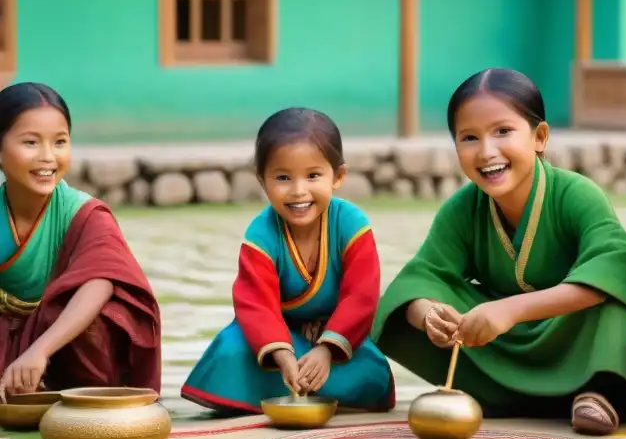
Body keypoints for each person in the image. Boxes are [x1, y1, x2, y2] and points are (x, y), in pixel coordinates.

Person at [372, 68, 626, 435]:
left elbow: (620, 269)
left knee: (614, 297)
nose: (487, 151)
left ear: (539, 137)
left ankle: (600, 392)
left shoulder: (576, 194)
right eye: (469, 138)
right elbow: (420, 278)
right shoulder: (462, 208)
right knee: (417, 298)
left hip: (575, 337)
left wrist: (510, 310)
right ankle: (508, 392)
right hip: (502, 342)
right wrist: (430, 315)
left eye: (503, 131)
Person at [181, 108, 395, 414]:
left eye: (313, 175)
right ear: (262, 180)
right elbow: (256, 304)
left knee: (370, 372)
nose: (298, 191)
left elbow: (361, 297)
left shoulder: (351, 224)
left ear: (338, 176)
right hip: (278, 341)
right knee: (231, 351)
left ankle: (275, 389)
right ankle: (286, 382)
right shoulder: (261, 233)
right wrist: (282, 356)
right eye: (282, 177)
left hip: (339, 343)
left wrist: (325, 351)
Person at [0, 82, 161, 398]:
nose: (48, 157)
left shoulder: (84, 212)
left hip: (61, 346)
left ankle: (75, 394)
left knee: (99, 316)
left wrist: (40, 350)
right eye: (31, 143)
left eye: (60, 142)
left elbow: (100, 282)